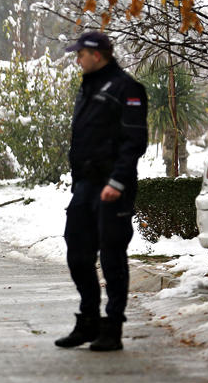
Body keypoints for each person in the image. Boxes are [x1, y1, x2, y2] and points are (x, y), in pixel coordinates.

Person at [55, 31, 148, 352]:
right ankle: (89, 320)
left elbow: (134, 141)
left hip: (112, 187)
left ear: (97, 54)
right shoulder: (88, 87)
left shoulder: (127, 88)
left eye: (80, 53)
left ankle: (113, 327)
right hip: (85, 186)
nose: (77, 58)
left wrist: (117, 182)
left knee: (111, 257)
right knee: (78, 254)